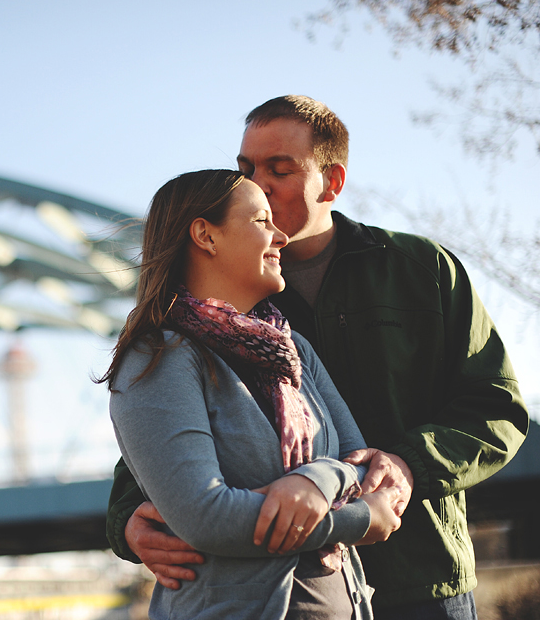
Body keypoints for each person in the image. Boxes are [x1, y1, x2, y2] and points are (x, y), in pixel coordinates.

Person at [106, 96, 530, 620]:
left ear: (331, 182)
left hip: (420, 576)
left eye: (279, 170)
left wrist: (406, 465)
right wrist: (126, 519)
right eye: (246, 171)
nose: (258, 183)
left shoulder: (419, 270)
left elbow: (496, 408)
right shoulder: (225, 308)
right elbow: (164, 438)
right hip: (273, 587)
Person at [104, 169, 402, 619]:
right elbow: (208, 516)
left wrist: (314, 481)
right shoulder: (159, 358)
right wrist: (356, 520)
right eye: (262, 220)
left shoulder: (294, 349)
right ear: (205, 235)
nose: (281, 236)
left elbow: (359, 463)